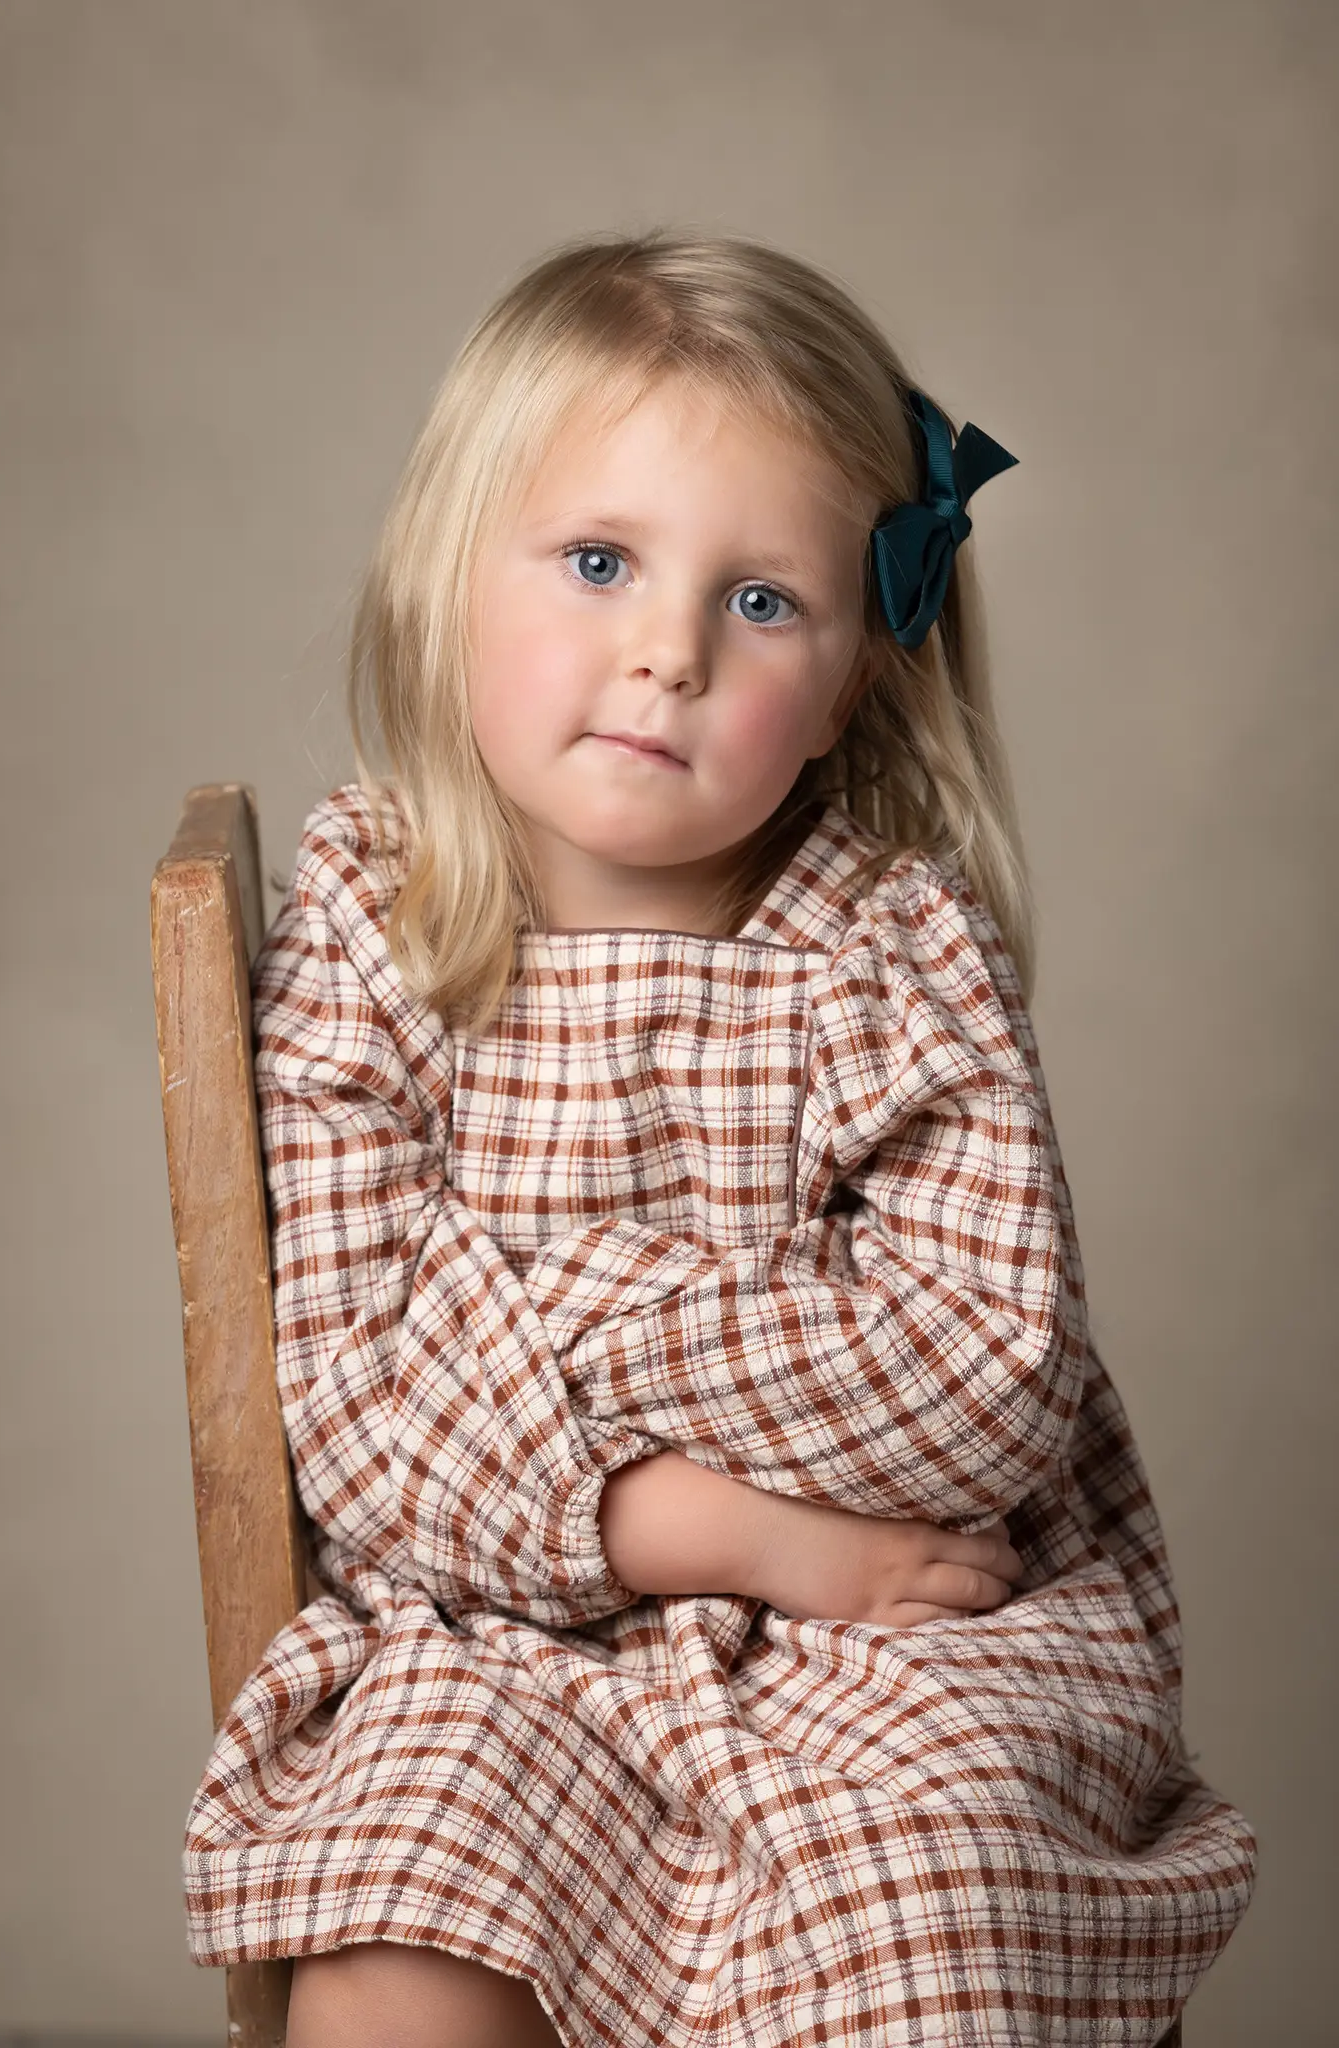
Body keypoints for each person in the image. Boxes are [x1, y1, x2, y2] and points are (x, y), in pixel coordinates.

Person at [181, 229, 1257, 2047]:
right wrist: (746, 1529)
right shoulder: (375, 927)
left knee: (932, 1900)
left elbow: (982, 1383)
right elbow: (363, 1420)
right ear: (450, 577)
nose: (665, 653)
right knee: (396, 1927)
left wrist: (543, 1312)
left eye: (759, 601)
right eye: (599, 562)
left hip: (895, 1637)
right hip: (490, 1623)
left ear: (849, 684)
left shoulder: (888, 947)